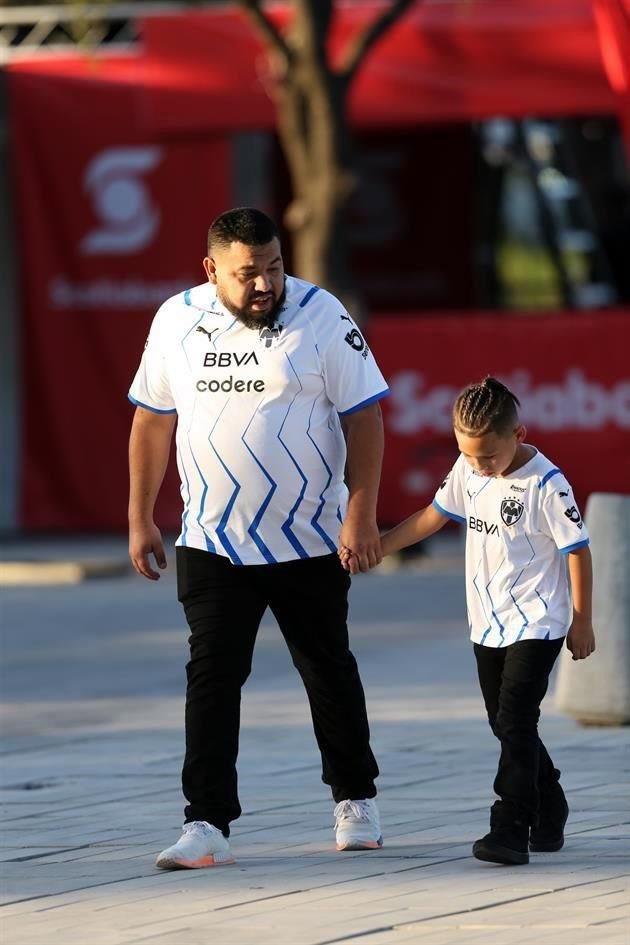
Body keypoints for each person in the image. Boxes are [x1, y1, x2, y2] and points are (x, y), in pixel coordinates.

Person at [127, 207, 389, 870]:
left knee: (327, 668)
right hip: (213, 538)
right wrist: (139, 515)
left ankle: (355, 798)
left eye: (274, 266)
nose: (265, 284)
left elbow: (365, 418)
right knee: (211, 676)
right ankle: (205, 821)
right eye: (248, 273)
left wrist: (360, 512)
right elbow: (152, 423)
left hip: (308, 537)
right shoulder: (175, 320)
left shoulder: (322, 314)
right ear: (212, 269)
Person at [341, 376, 596, 866]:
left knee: (517, 719)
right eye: (468, 455)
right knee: (503, 723)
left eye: (488, 457)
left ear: (518, 436)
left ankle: (510, 826)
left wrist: (582, 621)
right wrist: (378, 547)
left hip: (538, 621)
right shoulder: (468, 470)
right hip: (488, 620)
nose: (478, 466)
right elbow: (432, 517)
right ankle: (551, 802)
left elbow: (577, 552)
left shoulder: (546, 484)